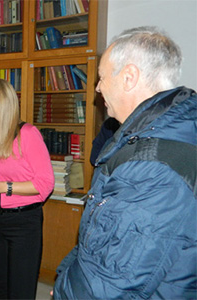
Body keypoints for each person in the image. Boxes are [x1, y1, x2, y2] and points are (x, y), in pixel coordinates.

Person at [54, 26, 197, 299]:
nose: (97, 88)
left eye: (102, 78)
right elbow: (97, 240)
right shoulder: (154, 134)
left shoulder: (152, 167)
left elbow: (111, 284)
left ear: (129, 77)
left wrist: (62, 290)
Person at [0, 78, 54, 299]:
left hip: (23, 224)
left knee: (21, 291)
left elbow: (44, 185)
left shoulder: (27, 134)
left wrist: (2, 187)